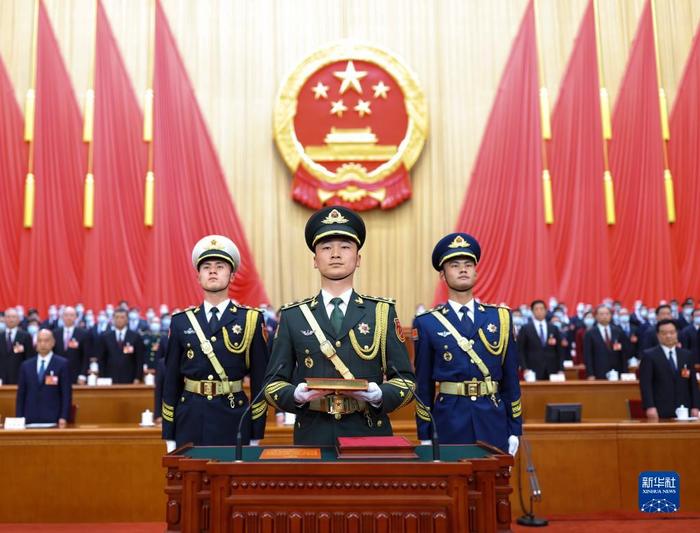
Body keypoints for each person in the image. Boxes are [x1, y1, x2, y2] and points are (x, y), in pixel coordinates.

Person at [263, 206, 415, 446]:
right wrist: (295, 395)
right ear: (315, 260)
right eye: (326, 248)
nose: (335, 254)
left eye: (345, 247)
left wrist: (379, 395)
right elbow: (272, 384)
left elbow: (406, 382)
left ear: (358, 259)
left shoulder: (381, 312)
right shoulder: (294, 316)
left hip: (368, 432)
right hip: (312, 434)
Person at [413, 232, 522, 454]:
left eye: (468, 265)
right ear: (442, 275)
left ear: (476, 272)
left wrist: (514, 428)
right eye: (454, 265)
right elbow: (423, 384)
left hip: (493, 417)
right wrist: (424, 434)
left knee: (495, 476)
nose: (463, 269)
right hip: (449, 419)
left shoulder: (500, 318)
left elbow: (511, 378)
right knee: (454, 476)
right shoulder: (427, 323)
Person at [162, 235, 269, 451]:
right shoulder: (181, 321)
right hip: (189, 419)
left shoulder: (250, 319)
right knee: (189, 473)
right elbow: (171, 380)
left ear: (232, 276)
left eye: (220, 267)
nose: (212, 271)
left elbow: (260, 381)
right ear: (198, 277)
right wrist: (169, 435)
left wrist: (256, 434)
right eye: (206, 267)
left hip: (234, 418)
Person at [639, 319, 699, 420]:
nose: (668, 336)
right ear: (658, 335)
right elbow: (645, 384)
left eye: (672, 332)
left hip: (684, 408)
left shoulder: (686, 355)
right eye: (664, 333)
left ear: (677, 333)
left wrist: (696, 406)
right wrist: (650, 406)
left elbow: (693, 384)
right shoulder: (649, 355)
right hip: (660, 408)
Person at [15, 329, 72, 427]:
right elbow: (21, 394)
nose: (43, 344)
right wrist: (19, 417)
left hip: (53, 419)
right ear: (35, 343)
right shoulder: (26, 365)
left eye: (46, 340)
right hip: (30, 419)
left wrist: (63, 416)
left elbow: (66, 393)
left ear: (53, 342)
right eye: (40, 341)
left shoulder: (62, 364)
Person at [517, 299, 566, 380]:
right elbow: (521, 350)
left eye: (541, 309)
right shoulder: (525, 329)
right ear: (532, 311)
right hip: (532, 369)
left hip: (552, 369)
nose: (539, 311)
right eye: (536, 309)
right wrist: (525, 368)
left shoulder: (554, 328)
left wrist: (561, 369)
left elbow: (560, 350)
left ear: (546, 311)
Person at [583, 305, 631, 379]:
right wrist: (590, 374)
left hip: (616, 372)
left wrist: (625, 372)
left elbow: (623, 353)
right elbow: (588, 356)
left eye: (607, 314)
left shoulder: (618, 331)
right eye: (601, 314)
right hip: (598, 372)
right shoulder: (590, 333)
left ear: (611, 316)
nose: (605, 316)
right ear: (596, 316)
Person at [99, 308, 145, 384]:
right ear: (113, 319)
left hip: (130, 378)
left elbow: (139, 359)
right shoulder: (106, 337)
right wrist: (102, 377)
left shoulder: (135, 337)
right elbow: (102, 360)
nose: (119, 320)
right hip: (109, 378)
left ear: (127, 320)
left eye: (122, 317)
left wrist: (138, 377)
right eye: (117, 317)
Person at [53, 306, 90, 384]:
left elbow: (86, 356)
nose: (68, 318)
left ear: (76, 317)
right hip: (57, 373)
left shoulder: (83, 334)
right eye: (66, 315)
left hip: (76, 374)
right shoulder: (55, 333)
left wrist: (83, 375)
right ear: (62, 317)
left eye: (71, 315)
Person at [1, 307, 35, 385]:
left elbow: (29, 358)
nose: (11, 319)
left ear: (18, 319)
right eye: (8, 317)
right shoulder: (0, 336)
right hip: (1, 378)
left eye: (13, 317)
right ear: (4, 319)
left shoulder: (25, 336)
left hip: (19, 377)